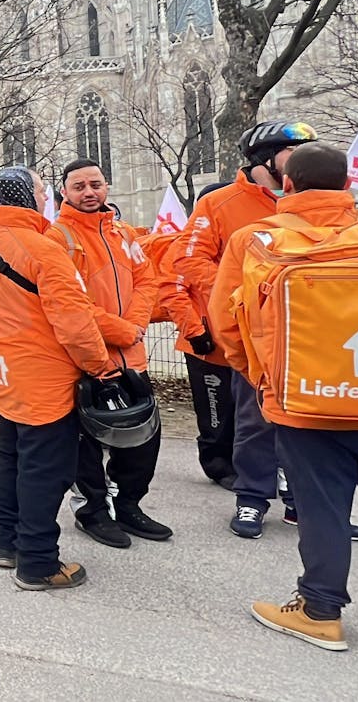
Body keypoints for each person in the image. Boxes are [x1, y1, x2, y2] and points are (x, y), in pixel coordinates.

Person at [208, 143, 358, 662]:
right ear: (348, 186)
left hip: (308, 405)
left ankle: (321, 611)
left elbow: (227, 326)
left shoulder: (258, 239)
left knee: (322, 511)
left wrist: (267, 380)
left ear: (286, 186)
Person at [177, 121, 358, 541]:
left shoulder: (345, 210)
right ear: (268, 159)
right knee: (254, 424)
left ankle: (312, 506)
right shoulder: (221, 203)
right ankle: (252, 498)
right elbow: (191, 261)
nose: (300, 162)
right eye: (292, 153)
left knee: (319, 430)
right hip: (258, 337)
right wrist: (245, 303)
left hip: (321, 342)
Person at [0, 166, 117, 591]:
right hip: (47, 381)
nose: (46, 197)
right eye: (42, 190)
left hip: (1, 373)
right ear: (27, 196)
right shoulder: (44, 250)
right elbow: (76, 325)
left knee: (10, 457)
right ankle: (38, 563)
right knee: (46, 471)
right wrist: (101, 367)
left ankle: (3, 541)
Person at [49, 160, 170, 549]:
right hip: (85, 360)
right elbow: (71, 304)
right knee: (87, 446)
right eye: (79, 186)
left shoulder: (122, 232)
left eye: (96, 184)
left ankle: (129, 504)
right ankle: (92, 511)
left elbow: (147, 280)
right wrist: (121, 329)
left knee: (143, 440)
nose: (89, 192)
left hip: (131, 358)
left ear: (107, 187)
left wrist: (134, 323)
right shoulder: (58, 238)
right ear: (64, 192)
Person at [157, 181, 237, 486]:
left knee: (241, 412)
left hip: (238, 345)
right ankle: (218, 464)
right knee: (216, 412)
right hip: (205, 344)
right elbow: (173, 291)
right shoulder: (185, 248)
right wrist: (195, 330)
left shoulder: (236, 245)